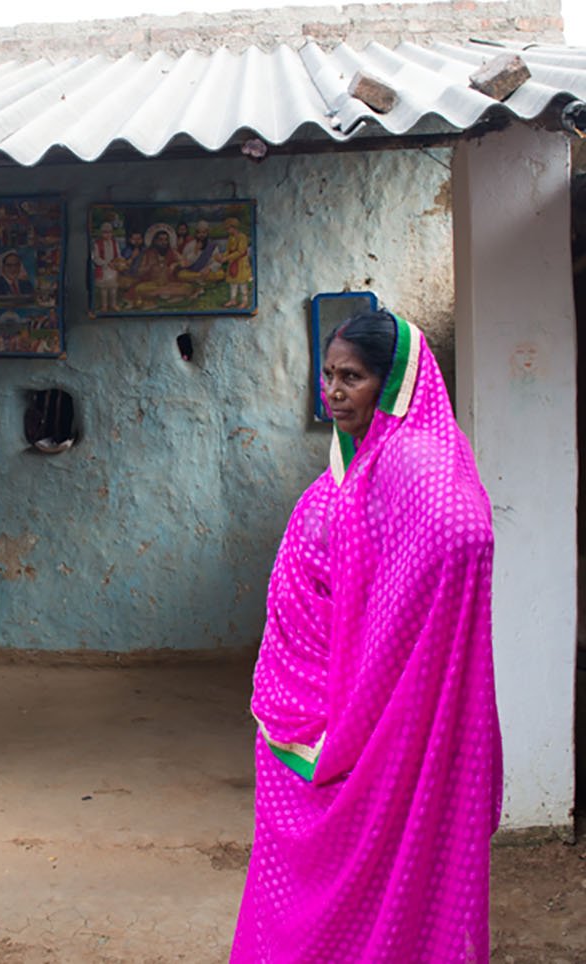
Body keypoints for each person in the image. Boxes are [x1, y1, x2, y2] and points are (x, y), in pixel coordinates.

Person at [231, 310, 501, 962]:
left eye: (352, 377)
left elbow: (464, 534)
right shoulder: (345, 482)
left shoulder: (410, 459)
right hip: (310, 709)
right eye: (328, 375)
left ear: (393, 386)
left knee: (385, 868)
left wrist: (390, 646)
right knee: (308, 876)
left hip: (377, 722)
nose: (335, 390)